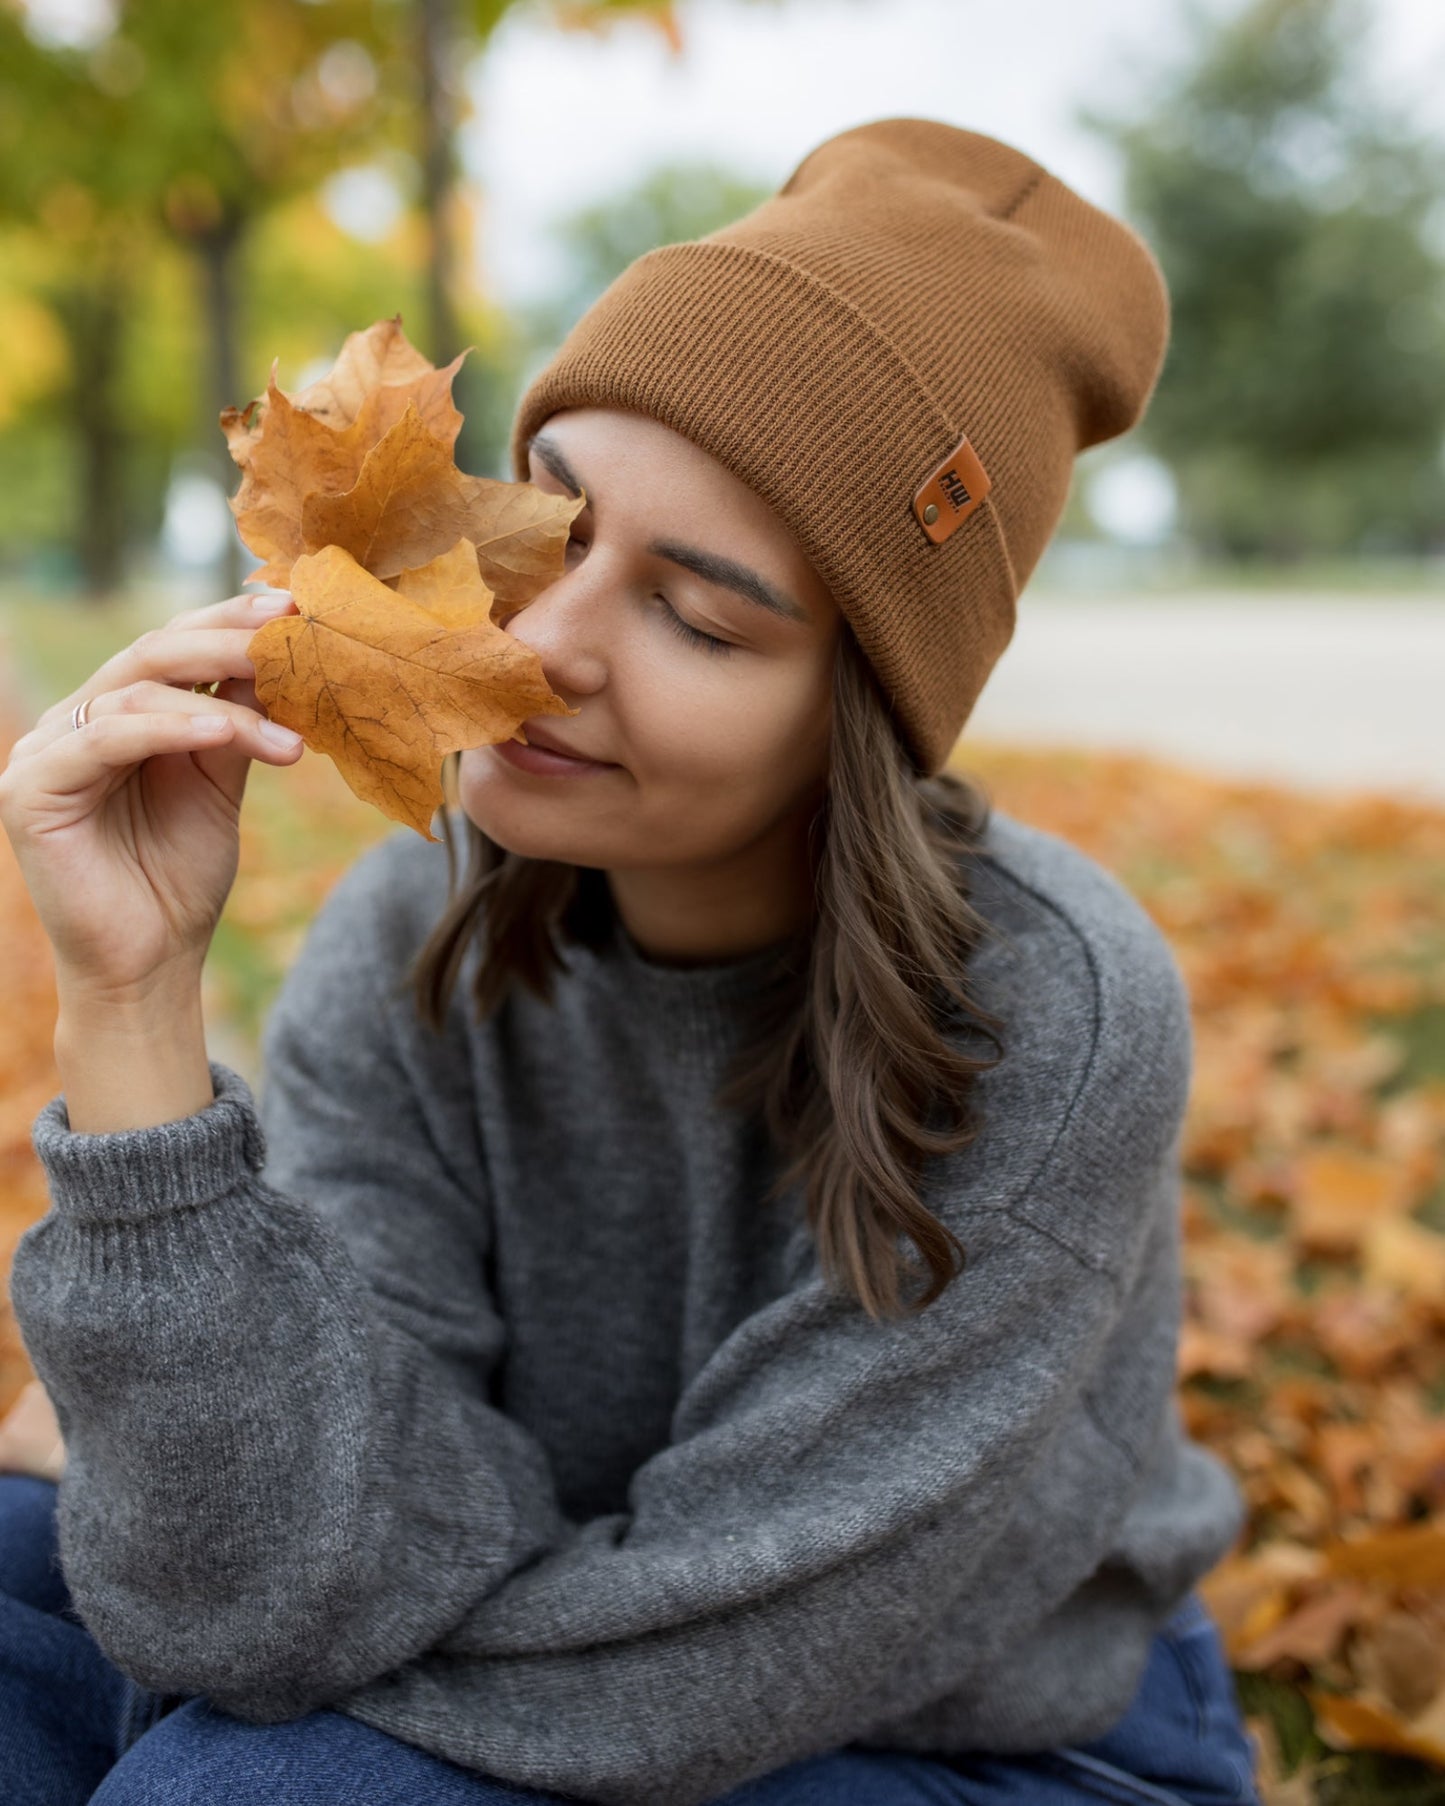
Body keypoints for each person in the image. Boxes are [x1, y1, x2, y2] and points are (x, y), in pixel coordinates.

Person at [0, 118, 1263, 1805]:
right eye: (550, 531)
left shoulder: (1046, 1013)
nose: (542, 647)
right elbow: (274, 1575)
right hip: (528, 1606)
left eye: (700, 616)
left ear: (864, 714)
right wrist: (133, 993)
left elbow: (711, 1640)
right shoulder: (405, 942)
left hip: (982, 1730)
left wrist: (219, 1593)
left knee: (244, 1773)